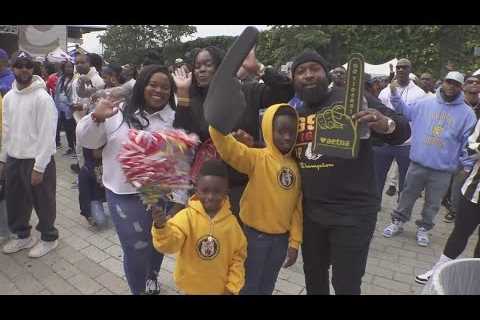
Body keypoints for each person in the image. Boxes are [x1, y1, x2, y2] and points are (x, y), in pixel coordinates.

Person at [291, 50, 411, 295]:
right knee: (313, 277)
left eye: (314, 68)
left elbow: (402, 129)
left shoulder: (352, 97)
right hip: (311, 213)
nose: (308, 75)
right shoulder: (297, 113)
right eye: (300, 72)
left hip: (353, 212)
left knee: (346, 283)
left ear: (326, 73)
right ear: (294, 80)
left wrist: (382, 123)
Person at [76, 65, 187, 295]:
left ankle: (152, 277)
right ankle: (138, 290)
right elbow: (88, 142)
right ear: (141, 85)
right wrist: (96, 116)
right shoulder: (116, 111)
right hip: (123, 195)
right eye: (153, 84)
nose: (159, 91)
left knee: (158, 240)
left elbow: (182, 160)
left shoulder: (174, 118)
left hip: (160, 193)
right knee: (135, 249)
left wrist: (180, 198)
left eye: (165, 87)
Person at [173, 46, 294, 219]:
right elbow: (182, 135)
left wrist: (258, 68)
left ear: (222, 67)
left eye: (208, 64)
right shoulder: (195, 102)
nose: (202, 70)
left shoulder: (246, 92)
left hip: (245, 184)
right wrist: (183, 94)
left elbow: (286, 92)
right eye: (197, 66)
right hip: (210, 189)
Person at [210, 104, 302, 295]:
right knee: (248, 285)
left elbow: (297, 208)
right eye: (281, 131)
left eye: (292, 132)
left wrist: (294, 243)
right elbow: (231, 149)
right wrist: (217, 124)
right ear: (269, 130)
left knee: (268, 285)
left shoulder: (296, 166)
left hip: (281, 241)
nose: (287, 137)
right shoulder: (257, 159)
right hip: (253, 237)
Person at [383, 71, 477, 247]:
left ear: (461, 87)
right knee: (407, 195)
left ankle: (424, 228)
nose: (451, 86)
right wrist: (394, 94)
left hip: (443, 169)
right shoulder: (426, 102)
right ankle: (398, 222)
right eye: (449, 82)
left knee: (433, 203)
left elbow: (469, 142)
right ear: (443, 82)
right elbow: (406, 112)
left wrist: (466, 165)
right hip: (418, 162)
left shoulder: (467, 114)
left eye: (456, 84)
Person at [151, 159, 247, 295]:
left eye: (217, 191)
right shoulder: (186, 217)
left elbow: (238, 258)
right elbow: (169, 246)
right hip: (190, 289)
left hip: (220, 291)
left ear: (226, 191)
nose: (211, 196)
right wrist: (161, 228)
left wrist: (232, 288)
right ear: (196, 189)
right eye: (205, 190)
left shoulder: (232, 225)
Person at [0, 51, 59, 258]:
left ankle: (48, 238)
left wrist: (39, 167)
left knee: (44, 202)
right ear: (12, 67)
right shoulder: (8, 97)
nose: (23, 69)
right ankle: (23, 236)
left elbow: (47, 135)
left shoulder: (42, 98)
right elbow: (6, 131)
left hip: (37, 160)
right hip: (15, 158)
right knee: (16, 201)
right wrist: (3, 158)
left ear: (33, 68)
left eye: (28, 65)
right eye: (19, 65)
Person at [415, 118, 480, 284]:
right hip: (474, 190)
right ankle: (438, 270)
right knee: (460, 232)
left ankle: (474, 281)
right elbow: (472, 144)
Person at [377, 58, 426, 199]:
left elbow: (419, 119)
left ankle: (401, 210)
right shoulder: (385, 91)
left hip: (407, 144)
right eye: (398, 67)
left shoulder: (419, 94)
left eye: (404, 67)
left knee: (406, 181)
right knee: (378, 176)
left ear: (410, 70)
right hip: (384, 142)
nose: (400, 70)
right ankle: (375, 205)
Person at [443, 74, 480, 223]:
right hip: (453, 148)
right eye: (470, 82)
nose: (474, 84)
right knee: (449, 179)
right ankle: (446, 200)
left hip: (473, 152)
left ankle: (454, 210)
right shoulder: (456, 105)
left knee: (461, 179)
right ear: (464, 86)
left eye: (478, 82)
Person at [54, 60, 76, 155]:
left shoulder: (75, 79)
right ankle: (71, 147)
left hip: (70, 108)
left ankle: (75, 148)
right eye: (67, 67)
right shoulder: (61, 79)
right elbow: (57, 93)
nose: (69, 68)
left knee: (72, 129)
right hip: (61, 108)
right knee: (67, 129)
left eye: (70, 67)